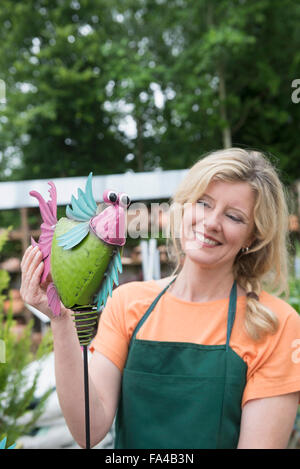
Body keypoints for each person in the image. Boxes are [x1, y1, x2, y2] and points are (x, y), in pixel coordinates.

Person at [20, 147, 300, 449]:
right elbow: (89, 431)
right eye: (203, 204)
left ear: (253, 238)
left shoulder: (276, 325)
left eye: (234, 216)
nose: (211, 222)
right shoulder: (128, 303)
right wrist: (61, 320)